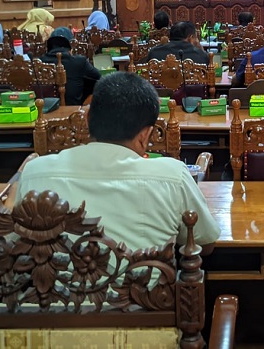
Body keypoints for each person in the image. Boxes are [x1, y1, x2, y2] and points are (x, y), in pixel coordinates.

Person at [15, 72, 220, 254]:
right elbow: (204, 242)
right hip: (143, 287)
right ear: (145, 135)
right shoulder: (172, 176)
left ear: (86, 119)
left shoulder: (35, 172)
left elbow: (15, 241)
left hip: (51, 287)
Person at [40, 27, 101, 106]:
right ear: (71, 45)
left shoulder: (39, 62)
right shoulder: (79, 61)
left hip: (44, 108)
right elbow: (98, 76)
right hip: (73, 109)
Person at [144, 21, 209, 64]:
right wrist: (200, 49)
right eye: (196, 37)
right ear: (191, 37)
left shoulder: (154, 52)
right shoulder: (201, 55)